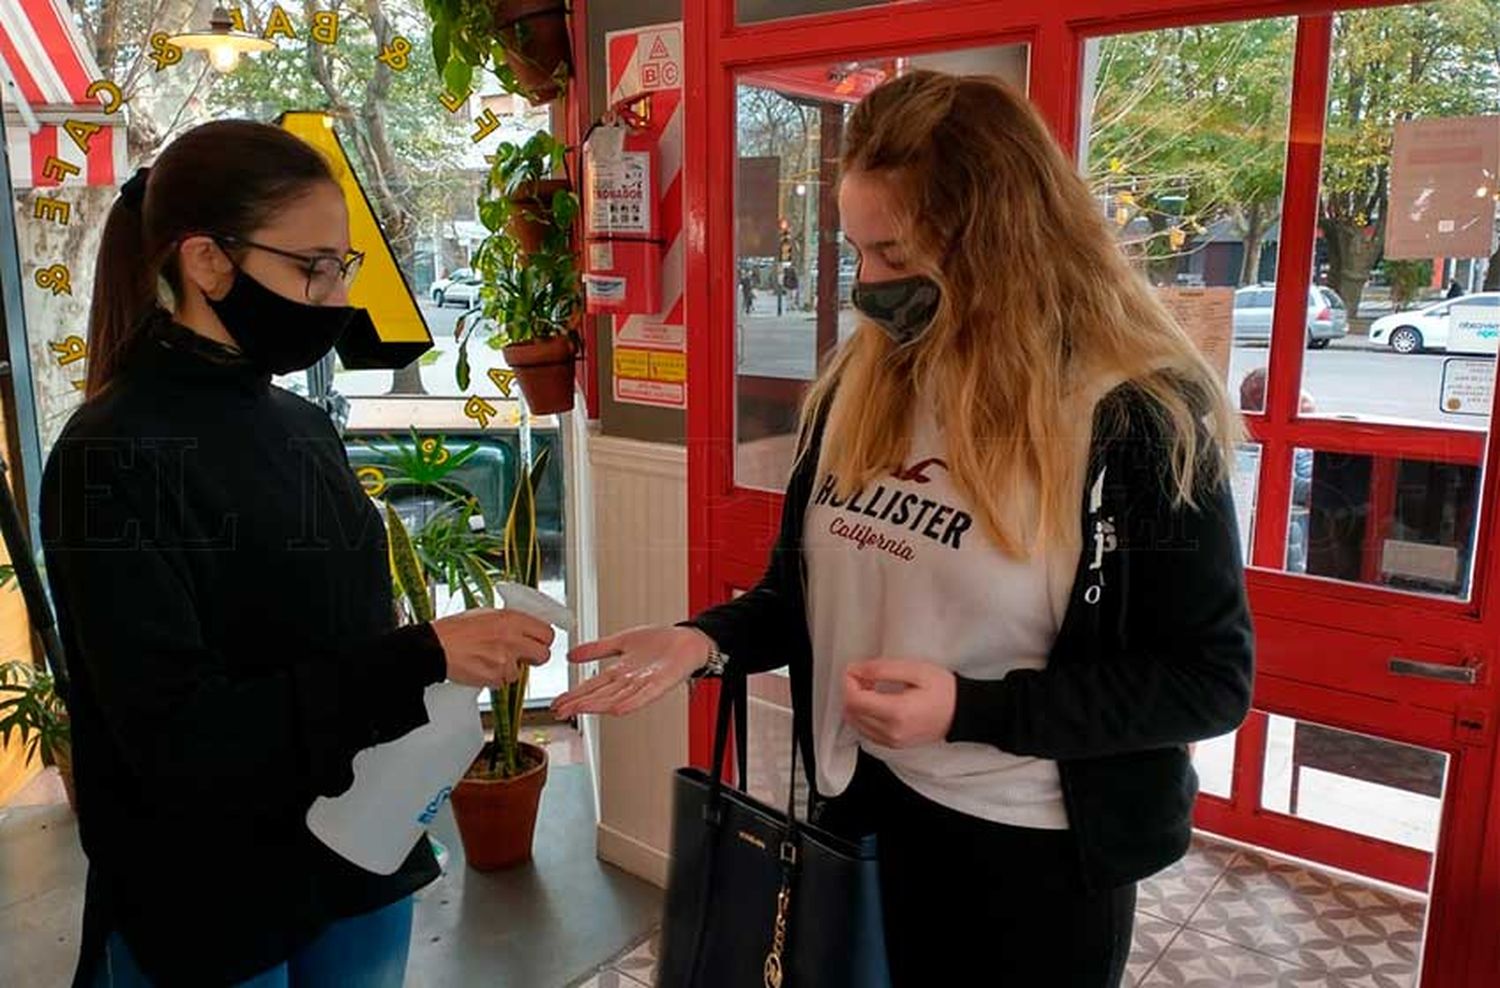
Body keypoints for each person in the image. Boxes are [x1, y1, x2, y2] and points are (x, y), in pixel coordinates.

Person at [555, 71, 1254, 987]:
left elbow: (1207, 683)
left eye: (893, 254)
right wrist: (702, 641)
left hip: (1032, 852)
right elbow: (797, 597)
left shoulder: (1133, 416)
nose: (866, 288)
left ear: (1002, 247)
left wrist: (969, 709)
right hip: (860, 803)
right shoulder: (861, 382)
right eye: (857, 252)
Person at [41, 120, 556, 988]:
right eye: (312, 267)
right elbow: (177, 738)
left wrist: (435, 669)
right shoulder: (111, 456)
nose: (335, 296)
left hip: (360, 845)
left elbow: (334, 628)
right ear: (207, 261)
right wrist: (422, 652)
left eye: (343, 267)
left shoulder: (301, 422)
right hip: (208, 891)